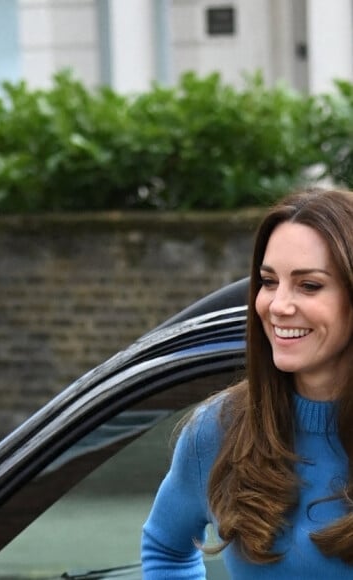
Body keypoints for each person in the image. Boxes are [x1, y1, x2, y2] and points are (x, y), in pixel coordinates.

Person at [141, 188, 353, 578]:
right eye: (269, 281)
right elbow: (165, 547)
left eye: (309, 285)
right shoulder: (218, 429)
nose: (278, 305)